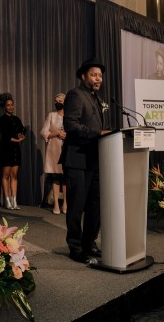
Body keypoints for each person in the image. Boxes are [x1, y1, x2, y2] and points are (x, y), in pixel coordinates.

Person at [61, 58, 110, 263]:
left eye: (100, 75)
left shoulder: (97, 99)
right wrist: (97, 133)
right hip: (77, 159)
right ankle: (75, 246)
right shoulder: (75, 94)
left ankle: (89, 242)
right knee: (76, 205)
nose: (98, 78)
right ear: (83, 76)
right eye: (94, 74)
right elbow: (70, 124)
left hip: (95, 160)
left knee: (96, 205)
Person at [0, 93, 25, 210]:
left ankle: (14, 200)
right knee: (6, 175)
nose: (11, 107)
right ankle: (6, 200)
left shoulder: (17, 119)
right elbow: (3, 136)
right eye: (8, 105)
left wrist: (21, 136)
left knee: (14, 175)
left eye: (12, 105)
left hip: (15, 150)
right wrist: (15, 139)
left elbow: (22, 130)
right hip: (5, 150)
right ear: (4, 107)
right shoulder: (1, 120)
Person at [40, 93, 67, 215]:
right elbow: (44, 132)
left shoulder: (70, 116)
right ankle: (56, 203)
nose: (57, 103)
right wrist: (56, 134)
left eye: (60, 101)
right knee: (56, 177)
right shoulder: (51, 115)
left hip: (67, 150)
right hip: (55, 150)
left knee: (66, 178)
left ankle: (66, 203)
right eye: (56, 101)